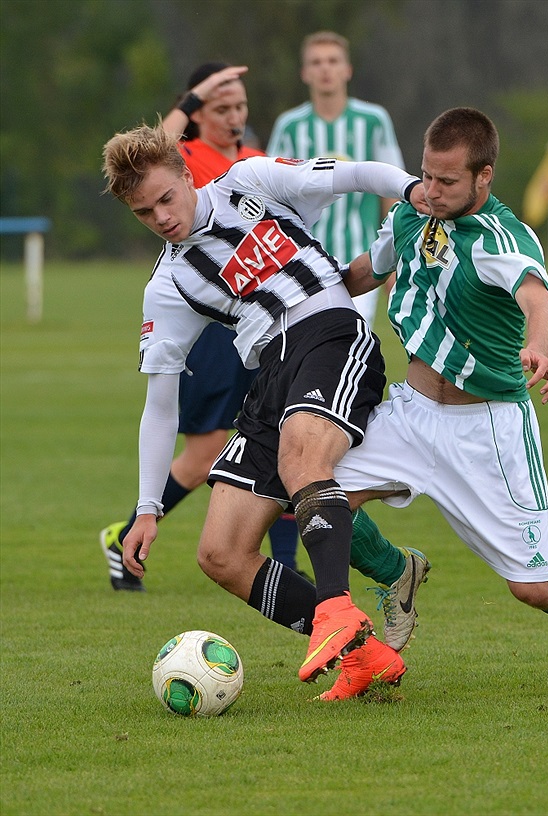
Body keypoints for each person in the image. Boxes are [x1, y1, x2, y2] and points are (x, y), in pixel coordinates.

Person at [100, 123, 432, 697]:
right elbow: (159, 407)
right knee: (220, 554)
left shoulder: (248, 182)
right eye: (143, 212)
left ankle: (335, 609)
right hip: (271, 376)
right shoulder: (169, 284)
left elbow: (352, 173)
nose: (160, 217)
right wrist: (148, 510)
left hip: (329, 332)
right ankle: (362, 656)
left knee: (303, 462)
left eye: (165, 198)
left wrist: (409, 190)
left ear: (186, 173)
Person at [330, 107, 548, 692]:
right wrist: (292, 293)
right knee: (315, 496)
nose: (430, 192)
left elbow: (537, 299)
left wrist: (539, 349)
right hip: (411, 414)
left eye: (447, 182)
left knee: (531, 588)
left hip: (486, 429)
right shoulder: (411, 216)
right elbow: (364, 272)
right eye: (426, 176)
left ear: (483, 177)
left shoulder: (503, 237)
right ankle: (396, 574)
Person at [100, 63, 301, 591]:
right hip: (210, 326)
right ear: (198, 117)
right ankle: (130, 533)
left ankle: (288, 562)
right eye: (221, 108)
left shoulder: (252, 163)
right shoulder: (185, 157)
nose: (234, 116)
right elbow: (141, 159)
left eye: (240, 107)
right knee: (206, 450)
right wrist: (192, 98)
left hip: (263, 319)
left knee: (286, 435)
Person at [267, 31, 404, 330]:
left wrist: (393, 257)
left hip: (359, 256)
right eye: (316, 62)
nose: (325, 69)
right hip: (302, 257)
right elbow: (270, 193)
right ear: (305, 73)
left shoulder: (373, 120)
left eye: (333, 61)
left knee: (349, 335)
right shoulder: (290, 126)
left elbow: (391, 192)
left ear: (347, 69)